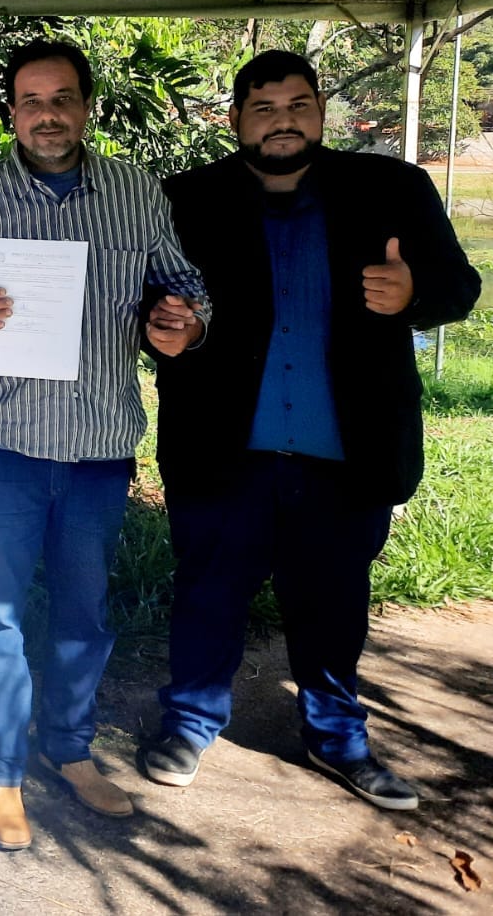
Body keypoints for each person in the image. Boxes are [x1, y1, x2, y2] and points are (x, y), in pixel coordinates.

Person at [138, 50, 481, 810]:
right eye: (263, 109)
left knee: (333, 604)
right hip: (222, 448)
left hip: (346, 450)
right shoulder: (184, 199)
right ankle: (189, 724)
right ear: (235, 120)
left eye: (297, 105)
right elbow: (146, 305)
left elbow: (460, 287)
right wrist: (167, 333)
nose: (282, 121)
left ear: (321, 111)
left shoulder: (393, 188)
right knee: (207, 595)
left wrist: (413, 293)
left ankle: (337, 737)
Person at [0, 40, 210, 851]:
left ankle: (70, 750)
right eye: (30, 101)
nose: (46, 115)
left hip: (98, 446)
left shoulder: (134, 192)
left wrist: (185, 324)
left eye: (60, 99)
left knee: (84, 614)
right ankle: (0, 771)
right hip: (1, 444)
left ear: (86, 106)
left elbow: (185, 288)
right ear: (10, 113)